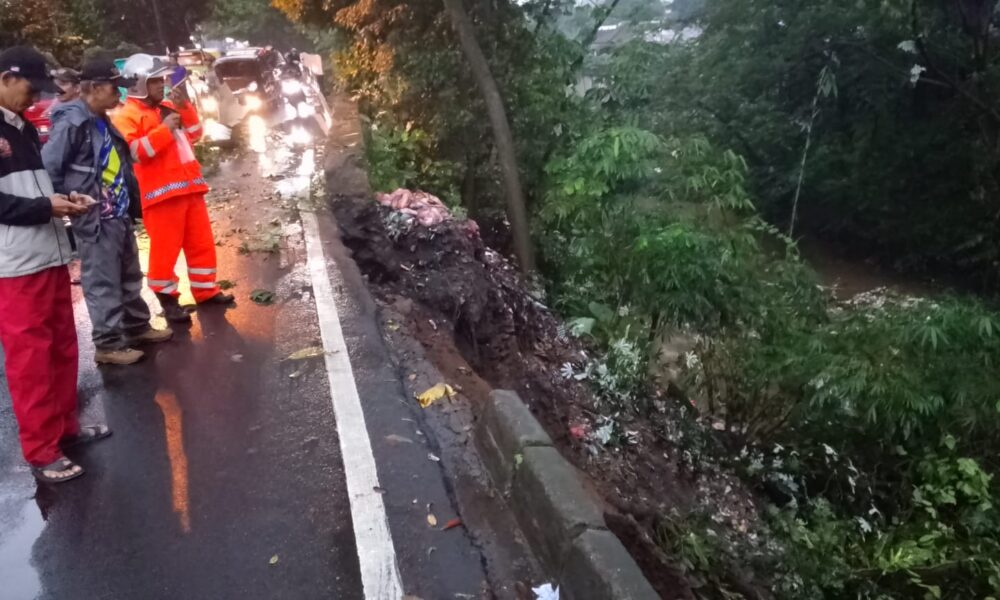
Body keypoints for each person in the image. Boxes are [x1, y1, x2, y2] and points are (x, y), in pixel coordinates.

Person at [0, 46, 111, 483]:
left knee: (63, 347)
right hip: (14, 264)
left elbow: (36, 187)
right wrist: (46, 206)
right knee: (31, 360)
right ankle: (42, 451)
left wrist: (62, 202)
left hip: (47, 254)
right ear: (7, 77)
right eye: (30, 86)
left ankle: (65, 428)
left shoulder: (22, 127)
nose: (36, 97)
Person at [42, 59, 174, 365]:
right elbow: (50, 167)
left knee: (128, 274)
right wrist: (67, 200)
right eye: (114, 88)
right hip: (95, 218)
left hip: (117, 214)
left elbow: (120, 165)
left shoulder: (101, 119)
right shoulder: (74, 121)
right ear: (95, 88)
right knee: (103, 281)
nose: (120, 95)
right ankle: (108, 344)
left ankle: (136, 327)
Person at [112, 54, 233, 323]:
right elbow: (136, 153)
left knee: (201, 244)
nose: (162, 85)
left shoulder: (166, 107)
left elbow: (196, 133)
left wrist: (185, 107)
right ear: (139, 84)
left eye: (162, 80)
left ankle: (206, 291)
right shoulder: (127, 116)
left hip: (190, 189)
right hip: (161, 196)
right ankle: (169, 301)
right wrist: (164, 129)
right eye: (155, 81)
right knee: (164, 253)